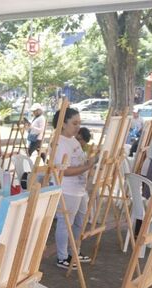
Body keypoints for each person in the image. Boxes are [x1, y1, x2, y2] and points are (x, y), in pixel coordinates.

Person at [51, 107, 98, 270]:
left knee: (80, 222)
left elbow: (80, 161)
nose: (78, 127)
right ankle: (62, 256)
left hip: (80, 189)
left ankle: (74, 251)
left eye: (79, 123)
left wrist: (89, 163)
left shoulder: (73, 140)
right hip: (67, 190)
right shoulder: (59, 142)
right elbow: (64, 171)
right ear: (63, 124)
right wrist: (87, 167)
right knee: (66, 223)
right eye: (74, 123)